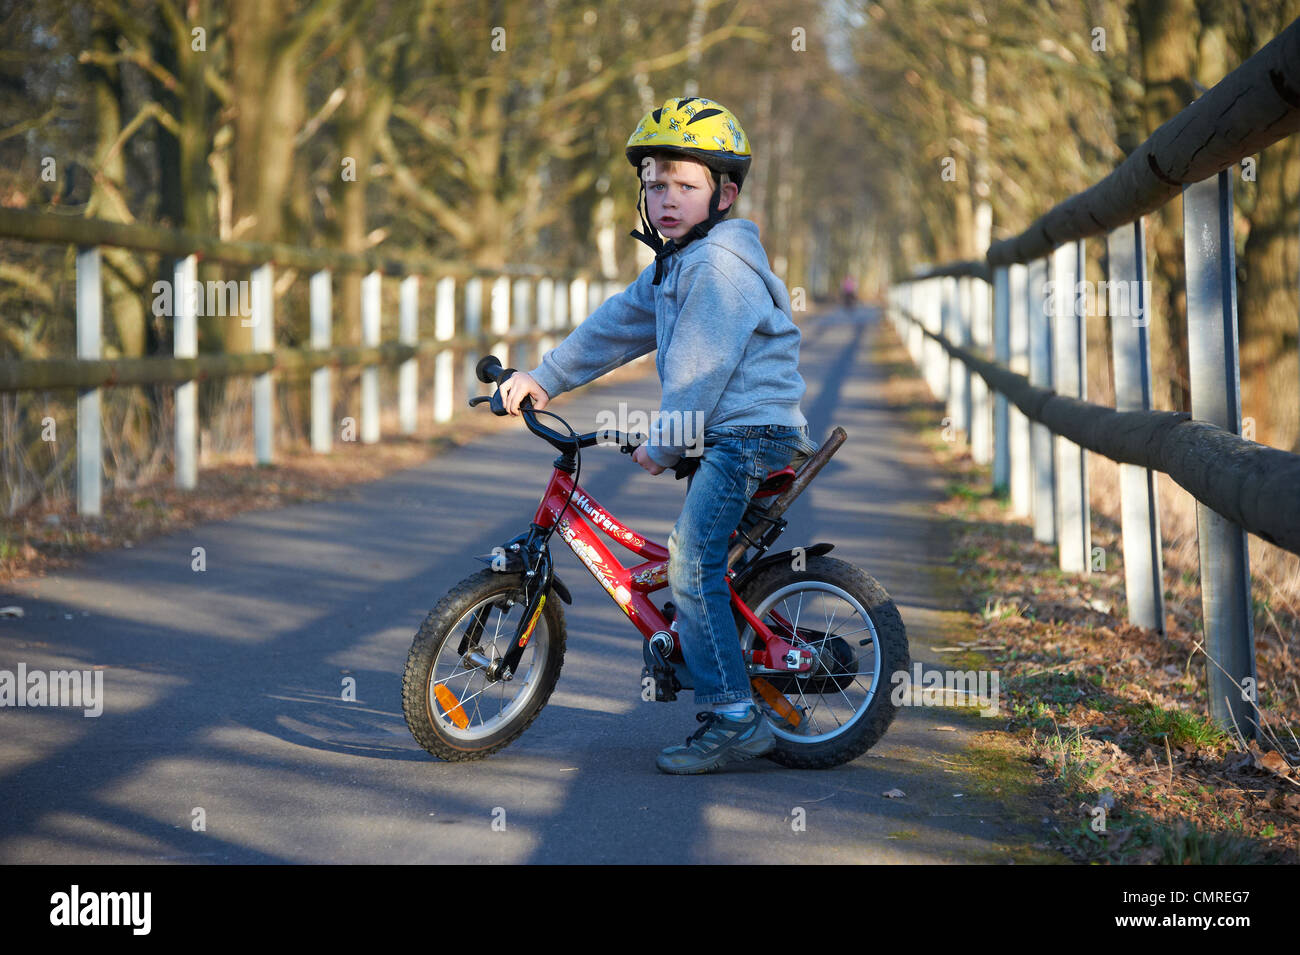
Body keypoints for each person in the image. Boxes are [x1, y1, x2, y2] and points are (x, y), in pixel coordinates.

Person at [499, 96, 816, 774]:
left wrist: (664, 441)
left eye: (684, 184)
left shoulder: (715, 267)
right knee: (701, 562)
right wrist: (543, 376)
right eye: (654, 184)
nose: (666, 197)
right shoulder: (678, 262)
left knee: (689, 561)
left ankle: (733, 716)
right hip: (728, 433)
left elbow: (701, 375)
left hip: (748, 434)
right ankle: (727, 668)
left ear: (724, 192)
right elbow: (618, 325)